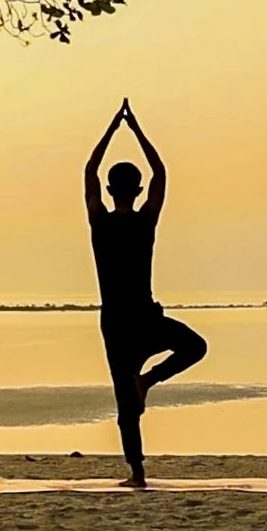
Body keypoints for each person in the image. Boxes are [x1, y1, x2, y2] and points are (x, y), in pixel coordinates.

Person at [85, 100, 208, 487]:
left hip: (117, 323)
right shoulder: (145, 221)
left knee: (127, 407)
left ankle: (137, 472)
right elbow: (161, 172)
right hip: (145, 317)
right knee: (196, 347)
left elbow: (89, 171)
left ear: (109, 189)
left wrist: (111, 129)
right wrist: (135, 130)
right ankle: (149, 380)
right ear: (137, 190)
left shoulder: (99, 220)